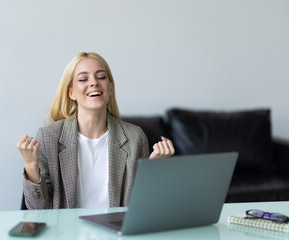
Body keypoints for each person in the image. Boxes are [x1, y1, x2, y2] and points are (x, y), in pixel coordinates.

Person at [17, 52, 175, 210]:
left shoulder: (135, 138)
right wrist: (31, 166)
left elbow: (142, 208)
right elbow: (38, 211)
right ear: (71, 92)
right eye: (83, 79)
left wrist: (153, 170)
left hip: (114, 232)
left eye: (101, 77)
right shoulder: (48, 137)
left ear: (111, 87)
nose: (94, 83)